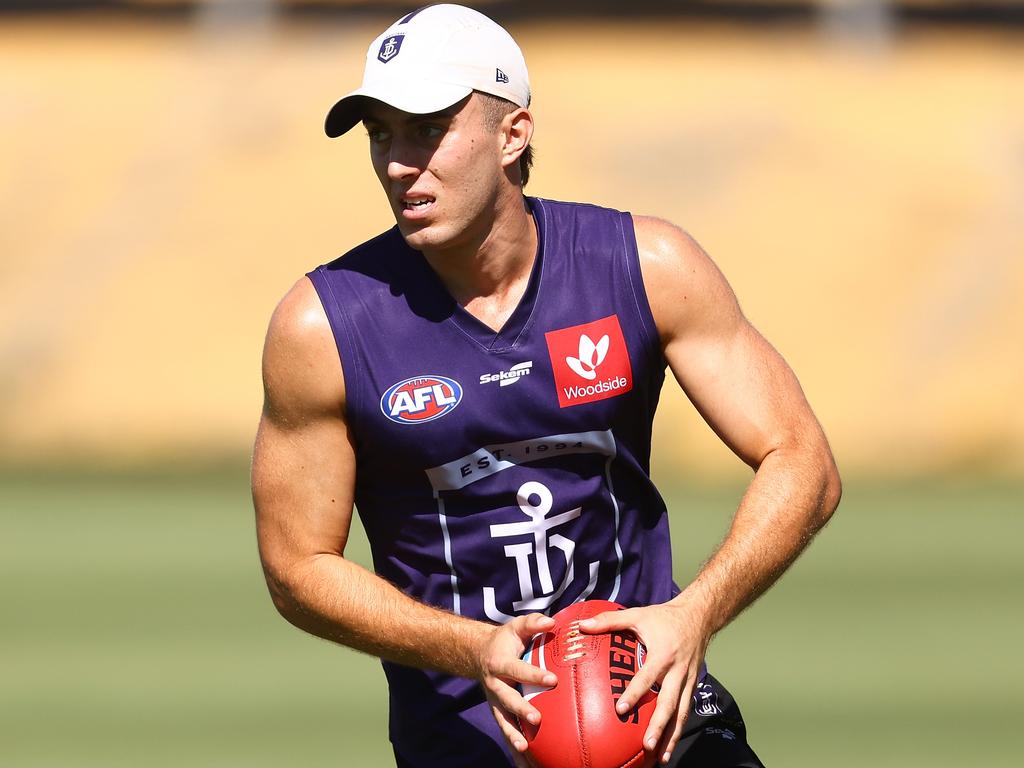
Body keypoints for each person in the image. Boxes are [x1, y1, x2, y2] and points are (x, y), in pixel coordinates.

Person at [252, 5, 841, 767]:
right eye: (382, 133)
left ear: (513, 134)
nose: (400, 162)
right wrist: (474, 650)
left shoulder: (646, 267)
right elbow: (297, 569)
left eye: (427, 129)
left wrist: (691, 616)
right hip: (465, 733)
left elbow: (802, 460)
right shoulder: (322, 326)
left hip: (652, 710)